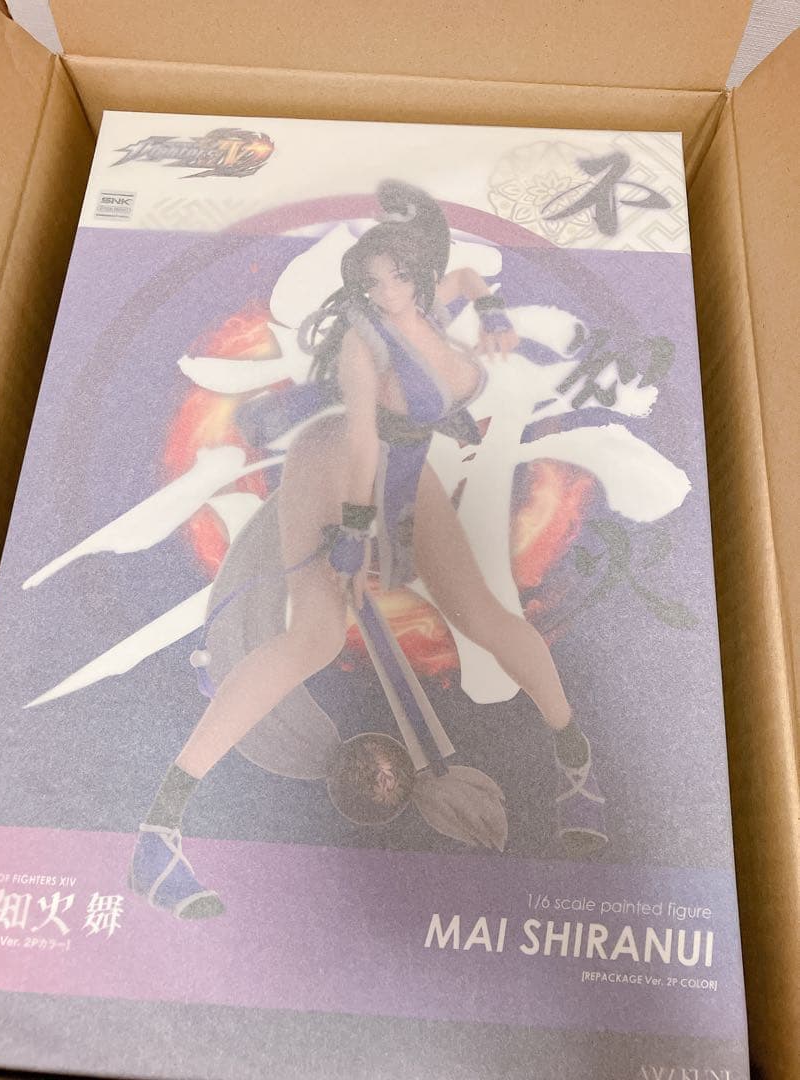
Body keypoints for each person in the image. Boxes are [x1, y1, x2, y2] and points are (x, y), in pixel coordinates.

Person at [129, 181, 607, 920]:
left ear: (415, 274)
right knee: (316, 637)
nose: (387, 291)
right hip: (339, 469)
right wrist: (353, 537)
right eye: (373, 281)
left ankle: (577, 767)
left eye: (397, 276)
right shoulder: (364, 345)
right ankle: (159, 833)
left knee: (481, 614)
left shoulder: (435, 305)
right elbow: (359, 441)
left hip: (406, 473)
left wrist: (491, 312)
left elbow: (467, 277)